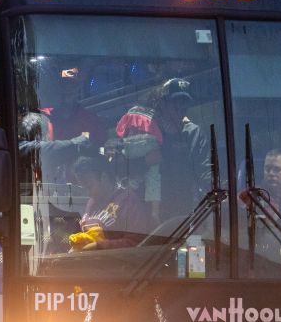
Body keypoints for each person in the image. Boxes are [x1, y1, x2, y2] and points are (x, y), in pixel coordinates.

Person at [115, 77, 210, 221]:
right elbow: (118, 164)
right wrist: (145, 161)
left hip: (182, 210)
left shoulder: (194, 132)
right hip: (144, 209)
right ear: (162, 103)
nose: (180, 108)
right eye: (175, 102)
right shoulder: (145, 128)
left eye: (184, 103)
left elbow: (204, 171)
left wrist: (219, 188)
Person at [69, 155, 151, 251]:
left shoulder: (127, 201)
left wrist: (99, 246)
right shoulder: (92, 202)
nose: (88, 193)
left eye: (89, 186)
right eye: (83, 187)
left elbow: (136, 244)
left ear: (104, 177)